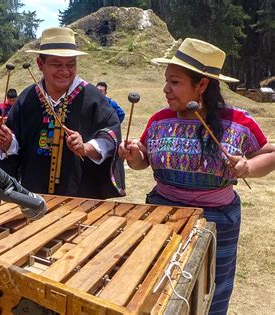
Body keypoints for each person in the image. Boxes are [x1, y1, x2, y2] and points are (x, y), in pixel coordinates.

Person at [118, 38, 275, 314]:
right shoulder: (158, 120)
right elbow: (143, 161)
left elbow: (270, 153)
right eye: (166, 81)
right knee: (160, 290)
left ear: (201, 84)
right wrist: (134, 156)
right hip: (163, 216)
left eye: (175, 82)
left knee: (209, 292)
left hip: (218, 222)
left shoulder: (237, 121)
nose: (166, 89)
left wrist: (248, 167)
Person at [0, 27, 125, 199]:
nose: (64, 72)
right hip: (33, 194)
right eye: (56, 64)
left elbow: (110, 137)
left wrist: (86, 148)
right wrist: (8, 142)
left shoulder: (92, 97)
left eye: (71, 65)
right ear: (40, 64)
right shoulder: (27, 97)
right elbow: (15, 142)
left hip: (80, 196)